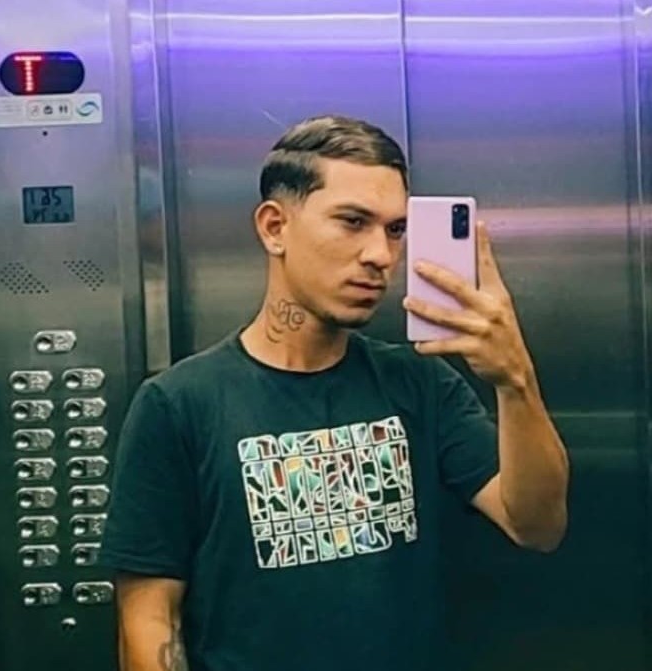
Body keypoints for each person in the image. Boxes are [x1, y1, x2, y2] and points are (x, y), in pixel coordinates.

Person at [99, 115, 569, 671]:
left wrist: (515, 381)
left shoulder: (420, 383)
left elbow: (536, 525)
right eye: (353, 222)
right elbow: (149, 617)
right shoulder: (179, 405)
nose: (381, 255)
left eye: (395, 230)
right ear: (275, 227)